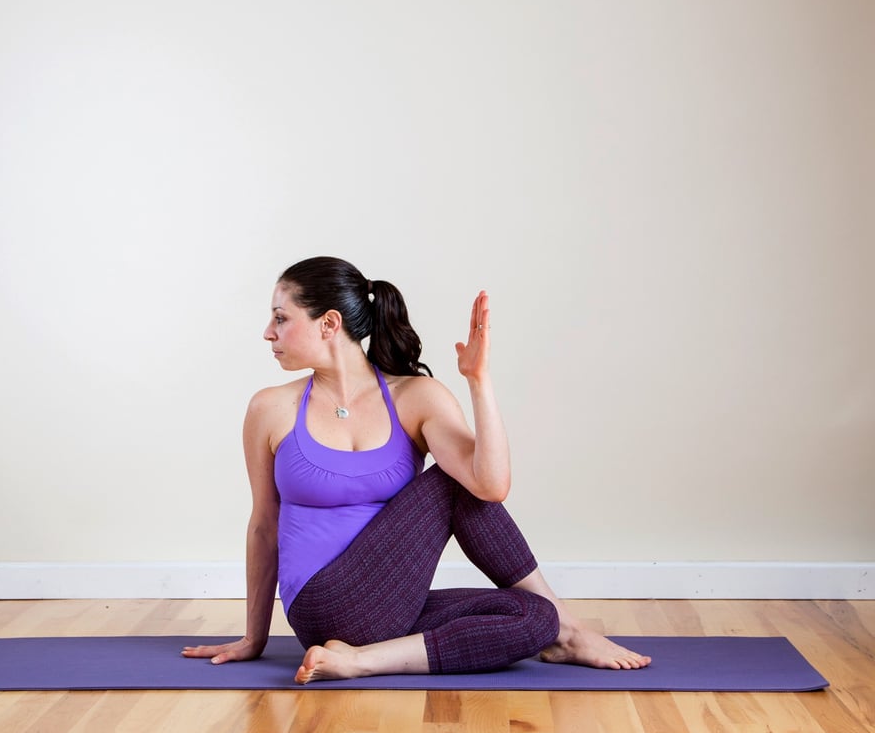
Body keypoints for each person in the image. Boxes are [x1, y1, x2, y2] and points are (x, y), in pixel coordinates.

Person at [183, 256, 650, 682]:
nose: (269, 332)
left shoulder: (414, 398)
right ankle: (572, 628)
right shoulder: (271, 409)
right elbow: (264, 526)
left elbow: (491, 485)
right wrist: (254, 637)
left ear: (329, 323)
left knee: (534, 618)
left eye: (281, 319)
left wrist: (479, 382)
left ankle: (361, 659)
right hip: (320, 603)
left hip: (390, 608)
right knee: (452, 482)